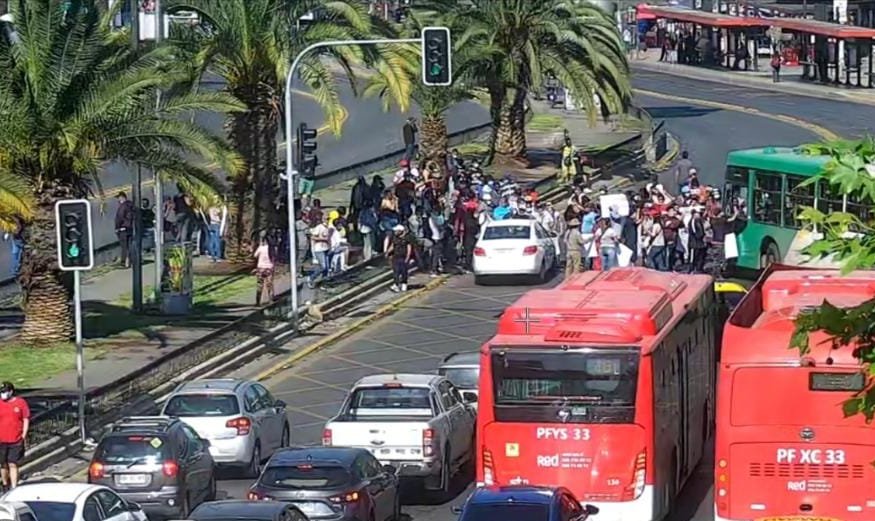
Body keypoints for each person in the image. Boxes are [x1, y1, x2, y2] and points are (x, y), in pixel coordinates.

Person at [0, 382, 29, 490]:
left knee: (13, 463)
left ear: (11, 392)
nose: (2, 394)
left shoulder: (20, 403)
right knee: (3, 464)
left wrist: (23, 435)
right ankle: (4, 484)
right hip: (2, 439)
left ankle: (14, 486)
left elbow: (25, 419)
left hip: (15, 439)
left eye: (4, 392)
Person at [385, 224, 412, 292]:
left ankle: (404, 284)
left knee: (404, 271)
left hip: (403, 257)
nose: (395, 232)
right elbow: (393, 246)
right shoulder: (395, 238)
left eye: (396, 231)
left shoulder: (406, 238)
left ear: (400, 231)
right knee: (396, 272)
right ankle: (396, 285)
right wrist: (387, 252)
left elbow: (409, 248)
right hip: (396, 257)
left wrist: (407, 257)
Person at [253, 235, 274, 306]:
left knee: (259, 285)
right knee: (269, 284)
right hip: (269, 268)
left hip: (261, 268)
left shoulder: (261, 248)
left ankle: (258, 301)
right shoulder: (271, 248)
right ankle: (271, 300)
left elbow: (255, 255)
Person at [114, 192, 134, 268]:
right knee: (129, 246)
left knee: (124, 247)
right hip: (130, 228)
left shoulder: (123, 206)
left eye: (119, 198)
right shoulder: (131, 205)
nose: (118, 200)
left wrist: (117, 228)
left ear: (122, 197)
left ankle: (124, 262)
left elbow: (119, 217)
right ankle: (130, 261)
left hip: (123, 229)